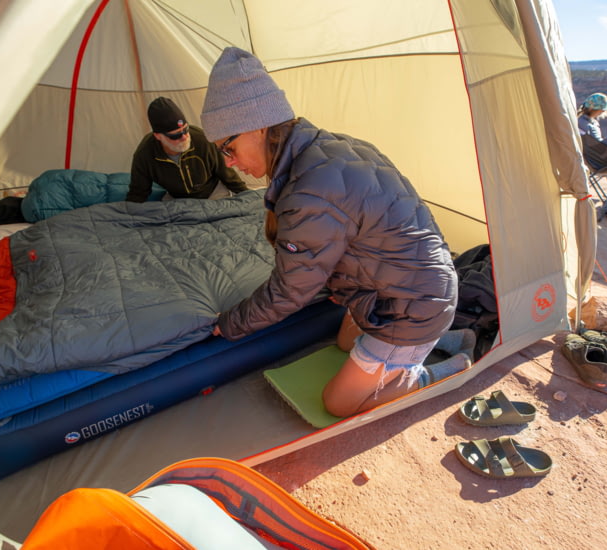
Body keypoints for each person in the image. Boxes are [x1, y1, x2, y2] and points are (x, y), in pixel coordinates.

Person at [201, 47, 474, 418]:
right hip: (418, 285)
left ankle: (440, 372)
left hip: (411, 306)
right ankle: (450, 336)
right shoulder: (329, 146)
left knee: (339, 402)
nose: (229, 162)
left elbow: (288, 291)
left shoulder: (309, 189)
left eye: (228, 148)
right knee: (347, 340)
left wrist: (228, 324)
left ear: (257, 125)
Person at [126, 96, 249, 202]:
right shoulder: (145, 154)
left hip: (213, 193)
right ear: (158, 136)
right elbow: (138, 193)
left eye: (185, 130)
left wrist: (249, 196)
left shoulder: (202, 140)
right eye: (175, 135)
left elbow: (229, 176)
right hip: (177, 199)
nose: (184, 137)